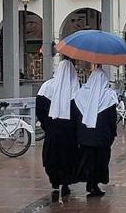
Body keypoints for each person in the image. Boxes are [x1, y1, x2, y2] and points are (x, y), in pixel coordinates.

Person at [35, 59, 80, 197]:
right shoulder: (75, 87)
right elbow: (79, 111)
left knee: (52, 156)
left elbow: (40, 109)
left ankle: (54, 180)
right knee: (68, 157)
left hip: (52, 130)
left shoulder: (46, 86)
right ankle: (65, 182)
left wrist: (46, 125)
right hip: (69, 132)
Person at [72, 68, 118, 197]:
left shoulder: (80, 94)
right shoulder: (108, 95)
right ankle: (95, 184)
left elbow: (76, 116)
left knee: (87, 159)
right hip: (103, 136)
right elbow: (112, 118)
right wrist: (112, 133)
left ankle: (89, 182)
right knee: (100, 160)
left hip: (85, 135)